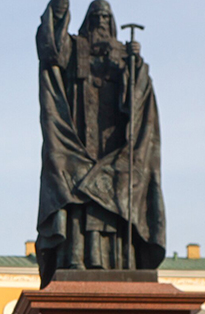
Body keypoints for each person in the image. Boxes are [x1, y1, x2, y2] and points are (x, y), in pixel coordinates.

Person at [35, 0, 166, 287]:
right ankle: (76, 256)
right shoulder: (74, 47)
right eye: (96, 17)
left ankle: (122, 261)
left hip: (115, 142)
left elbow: (137, 102)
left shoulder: (123, 55)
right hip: (77, 137)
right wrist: (58, 9)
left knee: (116, 189)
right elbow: (50, 51)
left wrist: (135, 67)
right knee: (78, 189)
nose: (102, 23)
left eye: (106, 17)